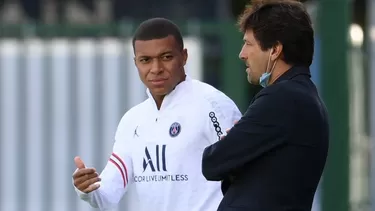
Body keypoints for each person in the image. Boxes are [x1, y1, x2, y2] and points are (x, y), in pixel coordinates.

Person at [72, 17, 242, 211]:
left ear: (184, 56)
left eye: (166, 57)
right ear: (136, 62)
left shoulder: (214, 104)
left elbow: (245, 174)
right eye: (146, 60)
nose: (156, 69)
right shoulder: (133, 120)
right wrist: (87, 189)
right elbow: (108, 195)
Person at [201, 0, 329, 211]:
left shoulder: (281, 98)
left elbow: (213, 162)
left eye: (249, 43)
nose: (242, 53)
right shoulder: (303, 96)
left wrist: (231, 151)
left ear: (275, 50)